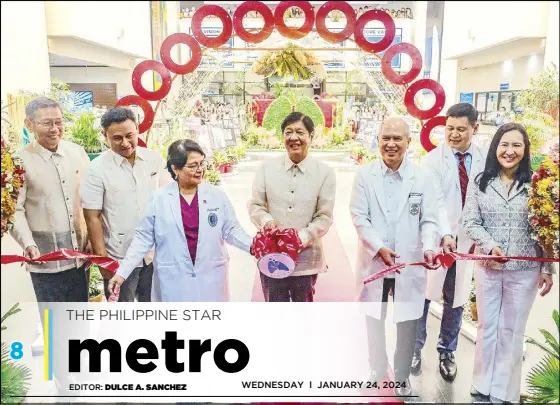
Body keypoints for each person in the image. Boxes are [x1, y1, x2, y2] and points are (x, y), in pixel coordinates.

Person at [462, 122, 555, 403]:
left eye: (516, 145)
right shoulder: (480, 181)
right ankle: (482, 383)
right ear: (495, 147)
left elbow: (546, 228)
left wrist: (547, 268)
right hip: (488, 268)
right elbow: (470, 222)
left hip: (524, 271)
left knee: (512, 330)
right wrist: (490, 246)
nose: (509, 151)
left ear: (525, 150)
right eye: (504, 144)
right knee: (487, 327)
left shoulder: (537, 184)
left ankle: (505, 389)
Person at [350, 117, 440, 397]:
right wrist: (378, 247)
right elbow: (359, 216)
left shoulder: (422, 177)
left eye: (397, 138)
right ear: (377, 141)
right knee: (373, 320)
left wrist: (428, 246)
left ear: (408, 142)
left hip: (409, 263)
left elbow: (430, 220)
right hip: (375, 261)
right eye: (385, 138)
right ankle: (376, 369)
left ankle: (401, 377)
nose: (391, 144)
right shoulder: (364, 175)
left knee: (407, 322)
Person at [108, 139, 253, 302]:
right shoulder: (159, 199)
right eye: (192, 166)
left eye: (202, 163)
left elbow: (231, 230)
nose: (200, 170)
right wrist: (122, 273)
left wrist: (254, 246)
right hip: (173, 277)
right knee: (177, 324)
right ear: (175, 168)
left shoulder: (216, 195)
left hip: (211, 275)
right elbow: (143, 239)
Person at [412, 103, 487, 380]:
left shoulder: (484, 159)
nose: (453, 135)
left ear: (474, 129)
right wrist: (444, 234)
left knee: (455, 299)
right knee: (423, 296)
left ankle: (447, 350)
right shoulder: (433, 160)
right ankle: (415, 348)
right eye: (449, 129)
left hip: (467, 242)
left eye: (460, 129)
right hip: (436, 240)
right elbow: (435, 203)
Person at [80, 107, 172, 302]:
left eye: (130, 135)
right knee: (123, 316)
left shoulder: (154, 159)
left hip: (155, 254)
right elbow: (92, 216)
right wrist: (102, 259)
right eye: (117, 138)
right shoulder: (97, 169)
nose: (125, 143)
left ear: (137, 129)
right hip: (119, 257)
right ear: (105, 135)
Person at [248, 112, 336, 302]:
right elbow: (255, 205)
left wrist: (299, 239)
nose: (293, 138)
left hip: (305, 258)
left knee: (302, 313)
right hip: (271, 256)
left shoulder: (325, 173)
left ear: (311, 136)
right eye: (288, 132)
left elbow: (324, 216)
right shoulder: (266, 169)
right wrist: (267, 222)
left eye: (300, 132)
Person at [12, 97, 91, 304]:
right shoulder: (19, 161)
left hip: (79, 256)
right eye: (47, 123)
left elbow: (90, 200)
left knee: (79, 320)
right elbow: (14, 209)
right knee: (54, 324)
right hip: (43, 260)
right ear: (29, 125)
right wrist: (27, 242)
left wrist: (92, 239)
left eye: (59, 121)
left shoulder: (77, 153)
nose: (55, 128)